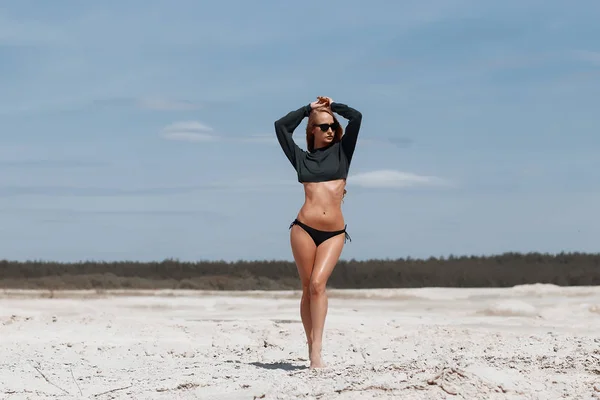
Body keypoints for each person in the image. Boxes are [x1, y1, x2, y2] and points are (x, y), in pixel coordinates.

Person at [274, 96, 362, 368]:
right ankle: (311, 346)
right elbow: (280, 127)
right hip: (304, 229)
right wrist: (307, 110)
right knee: (306, 288)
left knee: (317, 285)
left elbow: (356, 117)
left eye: (332, 127)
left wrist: (333, 108)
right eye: (323, 127)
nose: (329, 131)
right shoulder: (302, 159)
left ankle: (317, 352)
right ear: (312, 130)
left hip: (334, 232)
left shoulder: (343, 153)